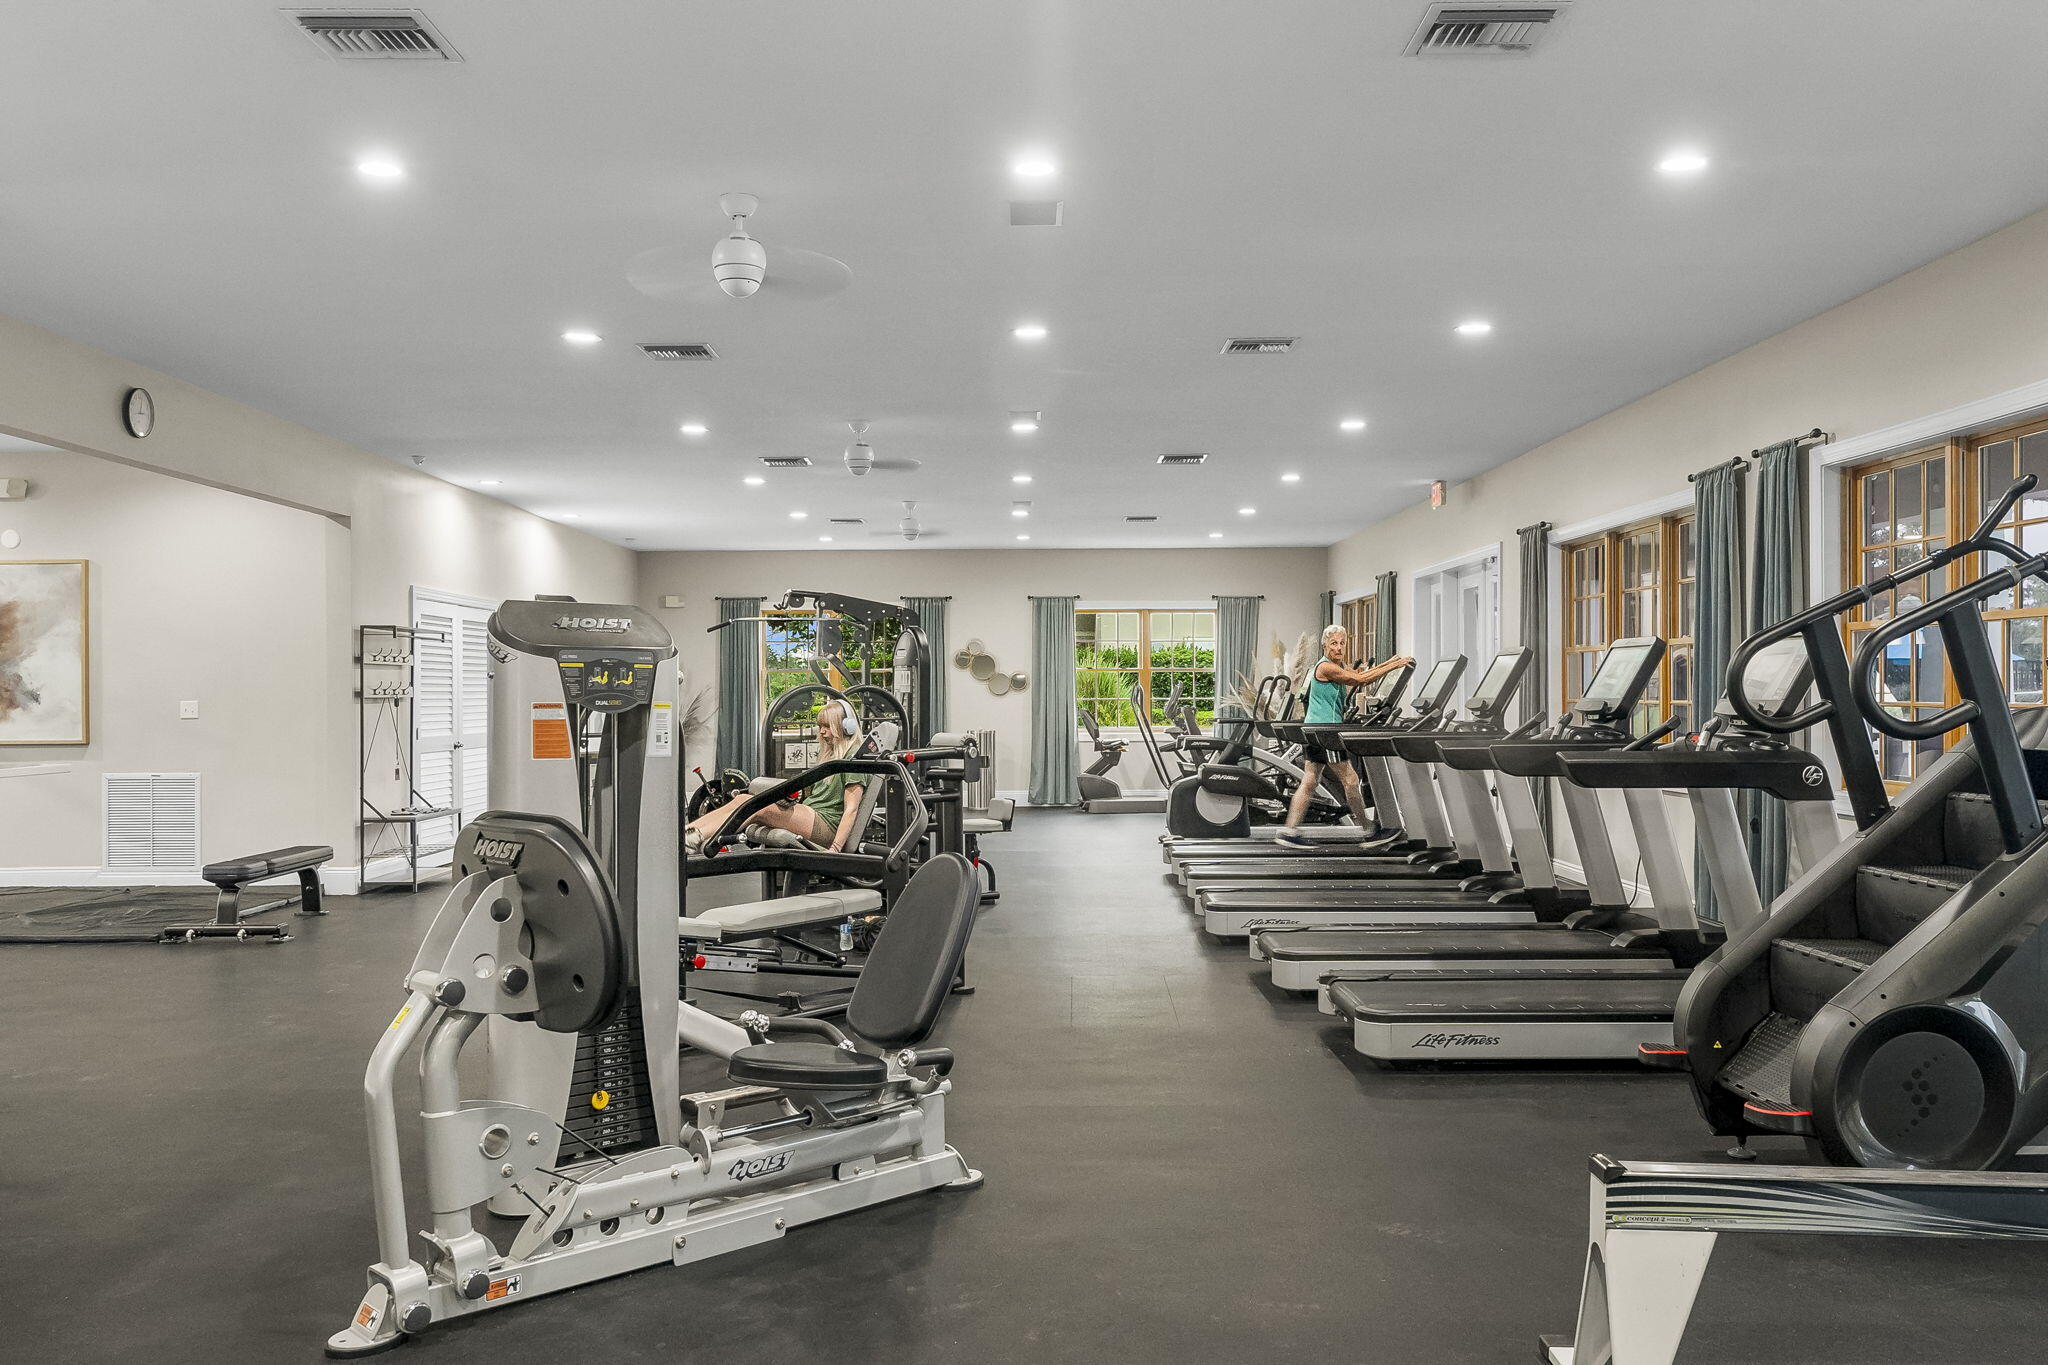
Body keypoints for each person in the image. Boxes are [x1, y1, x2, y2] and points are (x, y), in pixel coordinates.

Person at [1274, 624, 1414, 849]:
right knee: (1350, 779)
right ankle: (1368, 830)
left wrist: (1390, 662)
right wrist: (1394, 665)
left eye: (1342, 643)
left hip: (1315, 729)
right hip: (1326, 731)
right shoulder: (1326, 667)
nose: (1338, 648)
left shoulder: (1335, 666)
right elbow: (1360, 680)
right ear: (1324, 645)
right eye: (1333, 644)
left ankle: (1289, 831)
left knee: (1310, 780)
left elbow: (1357, 675)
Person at [684, 699, 867, 854]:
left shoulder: (853, 758)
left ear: (846, 727)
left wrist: (835, 849)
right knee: (742, 799)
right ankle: (687, 833)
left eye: (827, 726)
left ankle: (696, 838)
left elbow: (851, 809)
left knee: (755, 807)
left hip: (826, 825)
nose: (821, 732)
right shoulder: (831, 756)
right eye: (820, 726)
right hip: (812, 815)